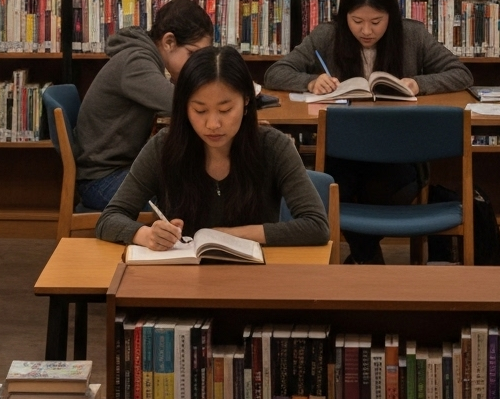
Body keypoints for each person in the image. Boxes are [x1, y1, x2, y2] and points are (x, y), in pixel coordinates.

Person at [264, 0, 474, 263]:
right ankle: (367, 258)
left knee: (378, 188)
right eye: (356, 21)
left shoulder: (412, 35)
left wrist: (419, 83)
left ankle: (362, 259)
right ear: (343, 17)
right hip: (344, 156)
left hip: (401, 155)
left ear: (391, 16)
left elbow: (461, 73)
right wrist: (310, 81)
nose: (366, 31)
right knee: (335, 188)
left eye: (376, 22)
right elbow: (275, 72)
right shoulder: (328, 35)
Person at [97, 46, 329, 250]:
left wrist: (228, 236)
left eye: (226, 110)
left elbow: (316, 225)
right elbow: (110, 218)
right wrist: (147, 235)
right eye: (199, 110)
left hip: (252, 280)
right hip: (181, 282)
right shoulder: (163, 146)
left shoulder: (273, 146)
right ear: (184, 106)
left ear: (247, 101)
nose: (213, 124)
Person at [73, 0, 213, 210]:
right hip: (101, 181)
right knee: (183, 200)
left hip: (116, 170)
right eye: (192, 55)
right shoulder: (136, 61)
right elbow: (176, 104)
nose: (197, 65)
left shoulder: (144, 56)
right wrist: (224, 97)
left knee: (190, 185)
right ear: (169, 42)